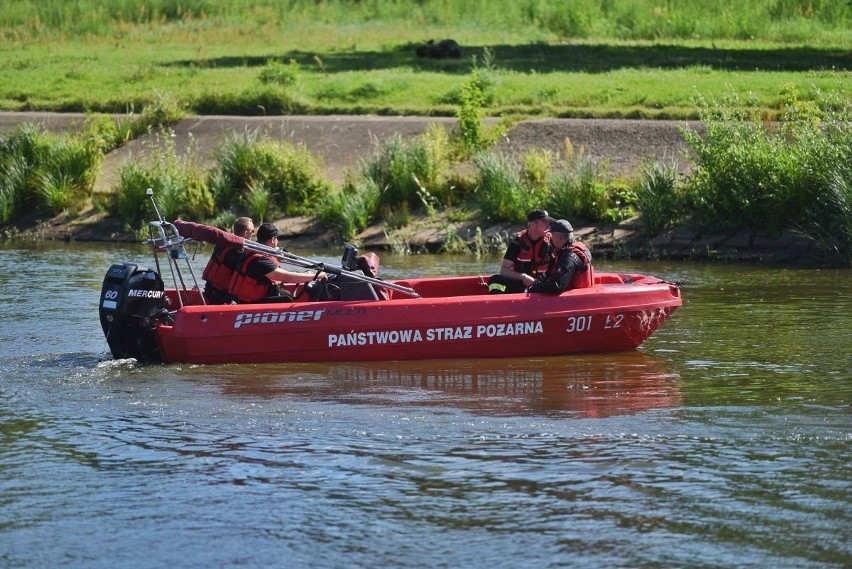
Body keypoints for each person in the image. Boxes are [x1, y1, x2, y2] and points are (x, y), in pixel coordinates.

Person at [228, 222, 328, 304]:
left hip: (243, 300)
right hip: (250, 304)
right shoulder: (260, 260)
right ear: (273, 239)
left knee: (285, 293)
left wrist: (305, 275)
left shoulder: (254, 252)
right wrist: (317, 276)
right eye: (277, 238)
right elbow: (288, 277)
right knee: (286, 296)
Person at [488, 208, 553, 294]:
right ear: (533, 225)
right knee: (495, 280)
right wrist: (523, 277)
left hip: (543, 286)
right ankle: (499, 305)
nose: (548, 225)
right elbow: (504, 270)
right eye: (545, 222)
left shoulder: (552, 240)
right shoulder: (518, 242)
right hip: (521, 286)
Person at [528, 219, 592, 294]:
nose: (551, 238)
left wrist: (533, 289)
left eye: (552, 235)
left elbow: (557, 286)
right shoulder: (577, 249)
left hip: (574, 300)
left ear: (558, 237)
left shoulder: (569, 257)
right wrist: (536, 282)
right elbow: (550, 273)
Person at [202, 216, 255, 304]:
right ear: (246, 233)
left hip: (212, 290)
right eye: (252, 231)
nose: (253, 233)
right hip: (219, 295)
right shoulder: (236, 253)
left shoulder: (224, 244)